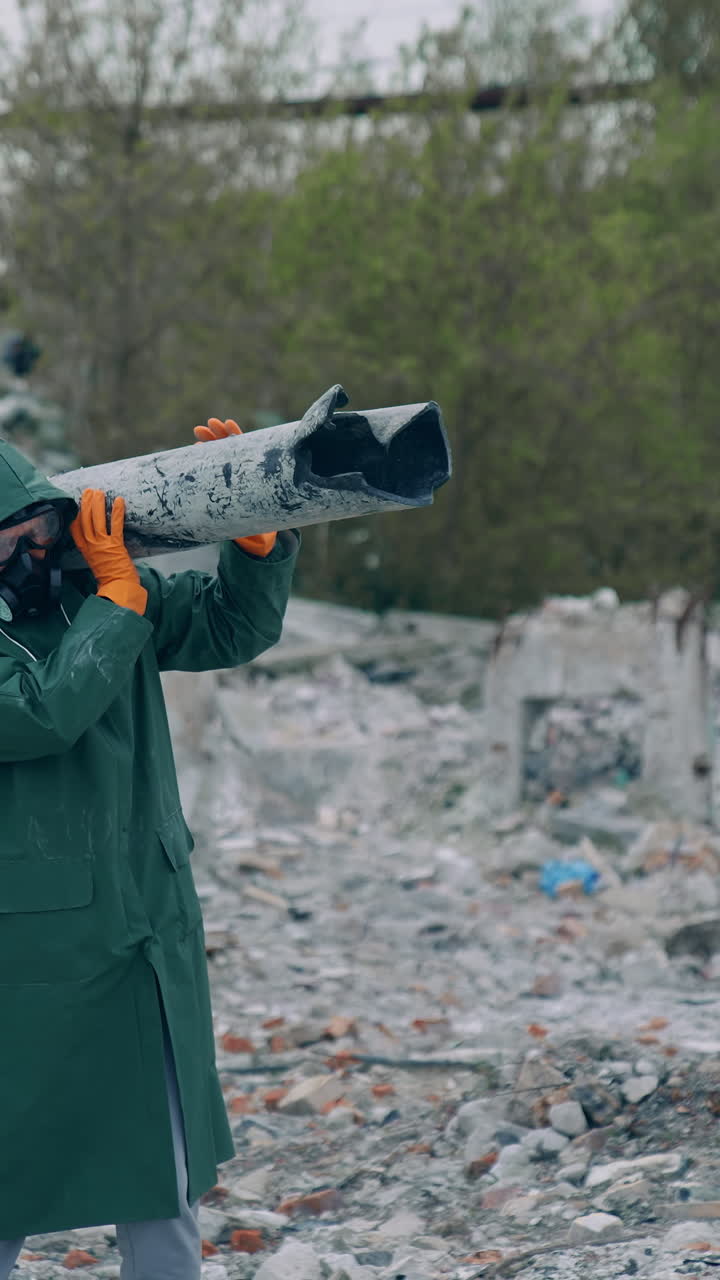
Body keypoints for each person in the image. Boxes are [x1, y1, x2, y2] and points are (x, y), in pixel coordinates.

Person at [0, 417, 299, 1279]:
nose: (40, 545)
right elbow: (40, 713)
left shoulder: (95, 590)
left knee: (159, 1183)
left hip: (142, 934)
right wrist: (117, 601)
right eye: (17, 533)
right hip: (33, 957)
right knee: (8, 1169)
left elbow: (233, 628)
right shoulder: (108, 597)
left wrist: (256, 537)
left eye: (43, 526)